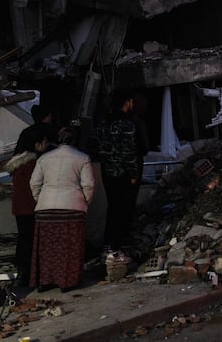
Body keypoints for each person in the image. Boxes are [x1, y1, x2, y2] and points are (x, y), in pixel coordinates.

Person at [29, 126, 94, 291]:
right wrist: (84, 203)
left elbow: (34, 183)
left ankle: (45, 281)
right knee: (68, 248)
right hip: (72, 208)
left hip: (45, 209)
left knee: (47, 248)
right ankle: (67, 282)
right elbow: (88, 185)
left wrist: (40, 199)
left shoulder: (44, 158)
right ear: (75, 140)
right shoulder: (82, 158)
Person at [4, 130, 48, 286]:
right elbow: (35, 185)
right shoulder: (33, 163)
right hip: (32, 206)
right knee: (32, 241)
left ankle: (23, 272)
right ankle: (30, 274)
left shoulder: (18, 162)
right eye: (44, 141)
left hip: (20, 207)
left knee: (24, 239)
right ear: (36, 144)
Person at [99, 91, 142, 249]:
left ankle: (108, 243)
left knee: (113, 208)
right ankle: (118, 245)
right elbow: (128, 152)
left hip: (107, 172)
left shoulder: (105, 121)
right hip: (122, 173)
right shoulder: (126, 123)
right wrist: (133, 174)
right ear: (127, 102)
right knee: (123, 210)